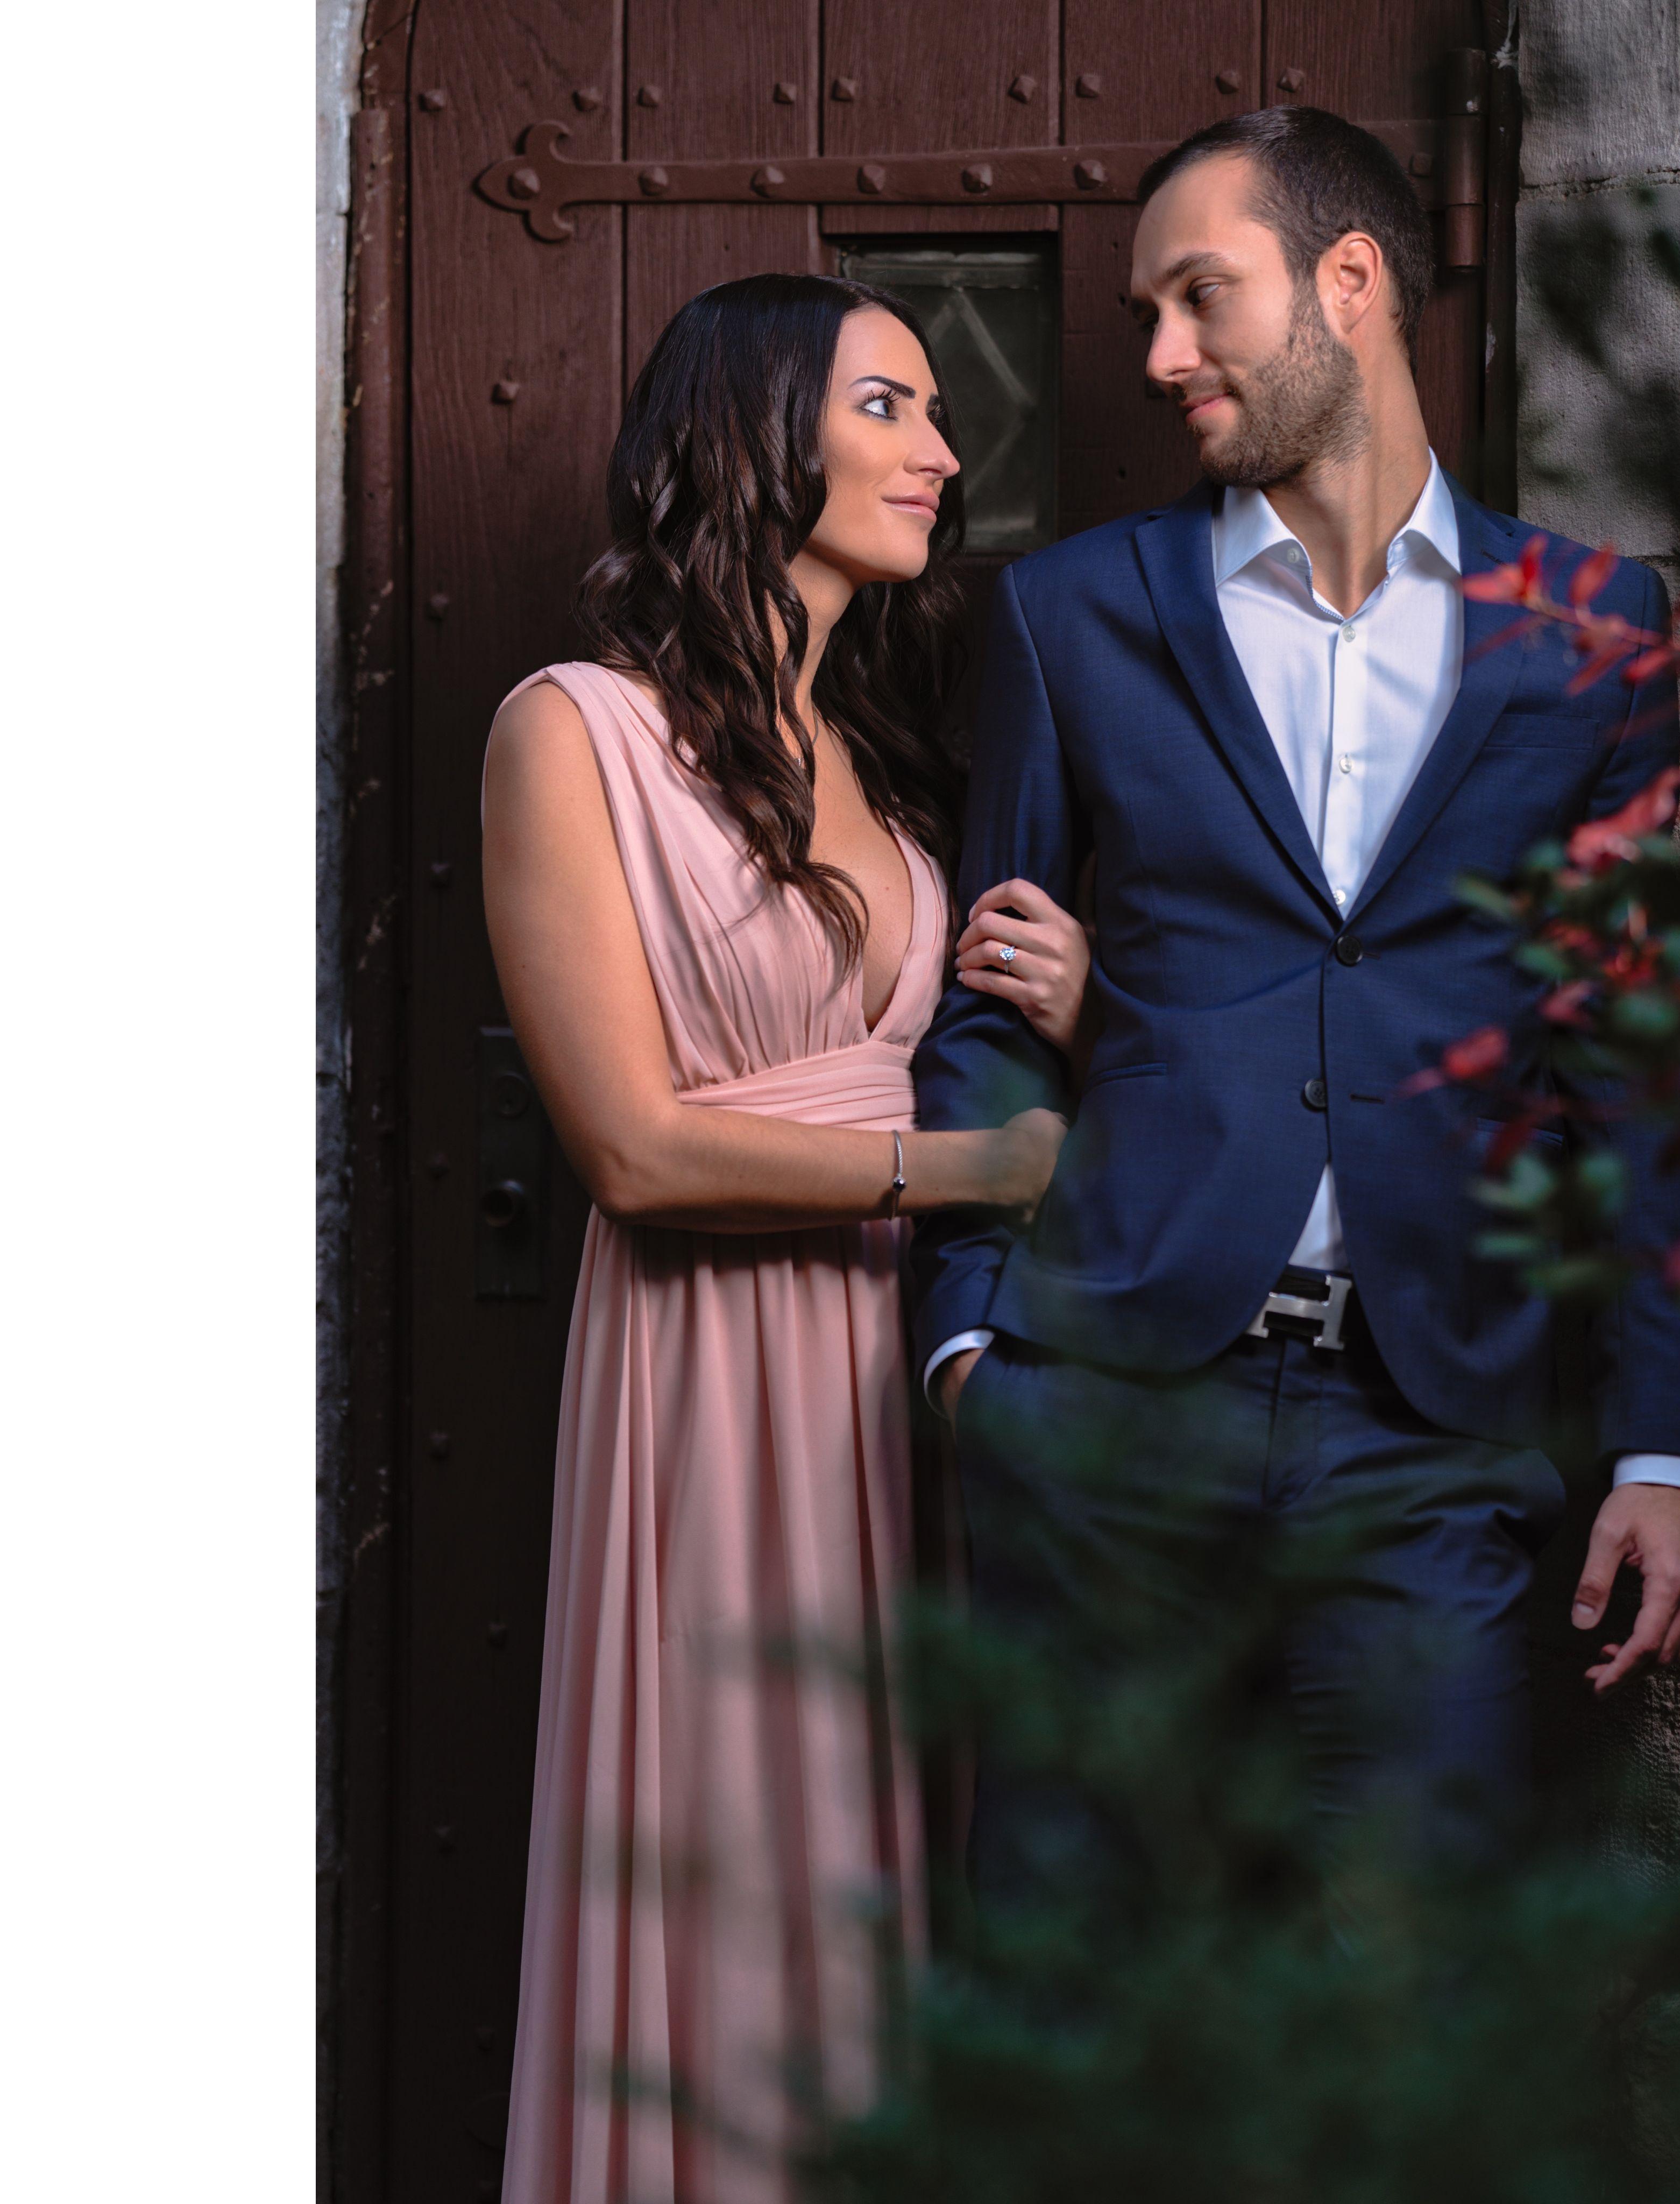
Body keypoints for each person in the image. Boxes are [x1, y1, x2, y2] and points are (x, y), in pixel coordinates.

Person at [911, 108, 1680, 1903]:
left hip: (1434, 1434)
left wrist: (1667, 1448)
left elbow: (1637, 1066)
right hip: (1111, 1408)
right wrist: (971, 1347)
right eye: (1144, 313)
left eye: (1198, 296)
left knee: (1409, 1981)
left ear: (1347, 280)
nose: (1158, 356)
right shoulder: (1072, 613)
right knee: (1078, 1961)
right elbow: (986, 998)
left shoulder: (1594, 631)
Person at [480, 274, 1088, 2204]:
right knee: (743, 1871)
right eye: (890, 407)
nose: (943, 453)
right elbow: (635, 1151)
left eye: (939, 415)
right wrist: (972, 1176)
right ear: (755, 434)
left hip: (902, 1383)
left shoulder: (890, 762)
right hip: (714, 1378)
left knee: (914, 1865)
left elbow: (962, 1062)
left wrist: (1074, 1012)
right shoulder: (572, 732)